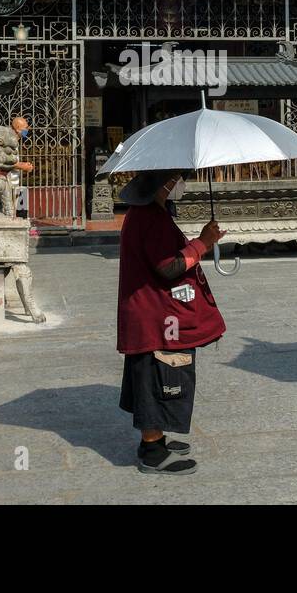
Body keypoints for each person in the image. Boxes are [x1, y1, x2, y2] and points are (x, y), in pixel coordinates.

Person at [116, 169, 225, 475]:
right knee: (159, 375)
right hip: (156, 316)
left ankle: (157, 438)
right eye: (178, 178)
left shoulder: (150, 214)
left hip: (150, 310)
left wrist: (199, 243)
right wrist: (202, 243)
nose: (182, 184)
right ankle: (152, 450)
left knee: (157, 374)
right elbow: (169, 267)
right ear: (165, 182)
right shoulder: (150, 217)